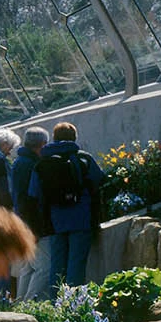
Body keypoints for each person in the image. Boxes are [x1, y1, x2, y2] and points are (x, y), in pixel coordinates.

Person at [28, 121, 106, 297]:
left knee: (57, 265)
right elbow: (99, 179)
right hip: (81, 218)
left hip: (55, 221)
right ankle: (73, 306)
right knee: (76, 265)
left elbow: (33, 193)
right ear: (74, 137)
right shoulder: (83, 158)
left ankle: (56, 303)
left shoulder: (42, 163)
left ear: (54, 138)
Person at [8, 126, 53, 300]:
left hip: (21, 220)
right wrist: (33, 229)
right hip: (31, 223)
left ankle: (21, 303)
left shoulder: (19, 162)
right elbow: (29, 200)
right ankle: (29, 303)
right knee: (45, 267)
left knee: (28, 267)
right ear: (42, 145)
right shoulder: (31, 165)